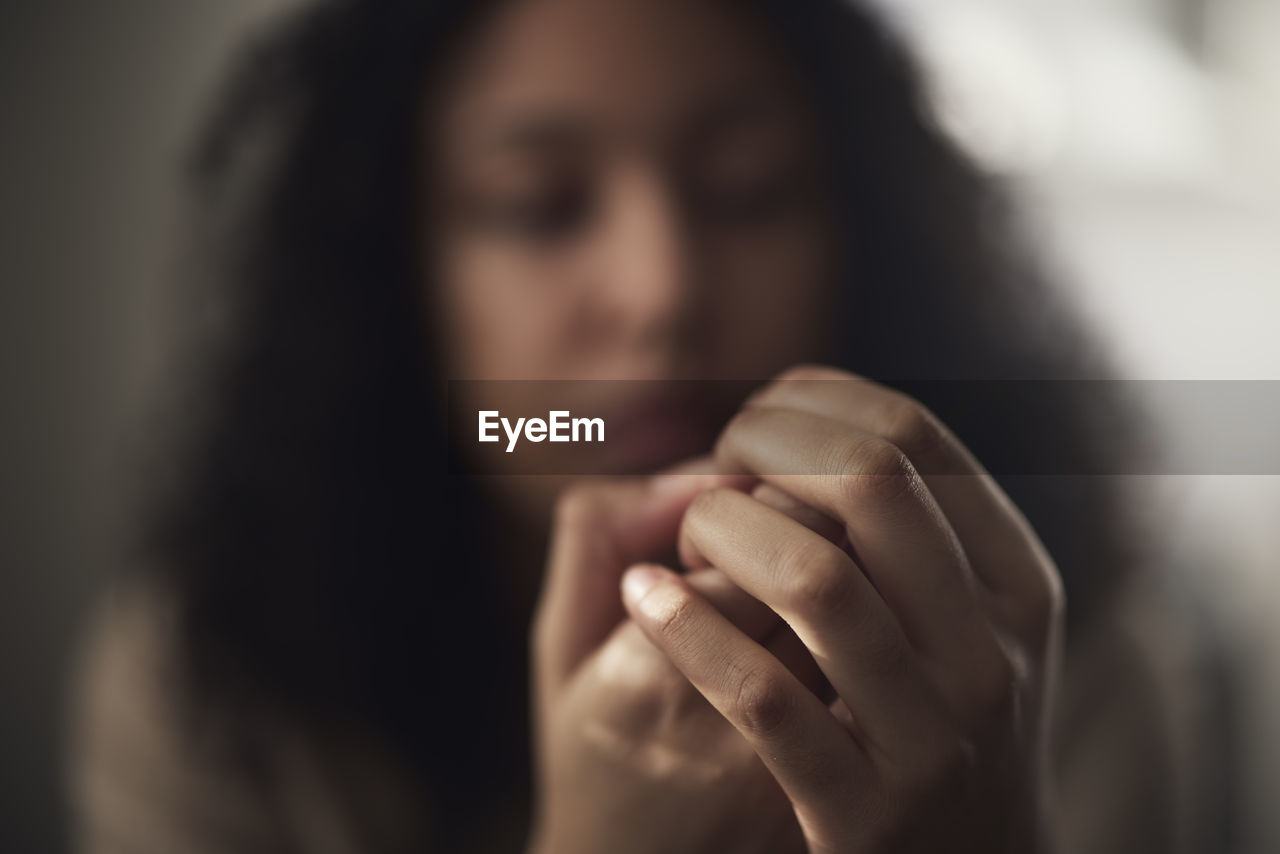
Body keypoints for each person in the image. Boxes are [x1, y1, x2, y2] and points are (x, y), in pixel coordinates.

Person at [70, 0, 1225, 851]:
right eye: (540, 206)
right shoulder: (213, 698)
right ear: (392, 276)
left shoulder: (1048, 656)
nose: (662, 286)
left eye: (747, 186)